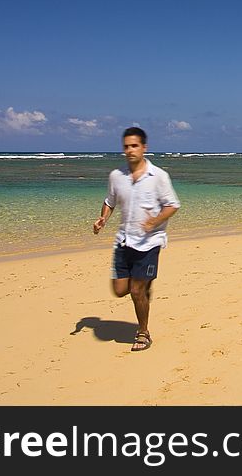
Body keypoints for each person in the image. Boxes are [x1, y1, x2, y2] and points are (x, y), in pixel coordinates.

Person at [93, 127, 181, 351]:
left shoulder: (159, 177)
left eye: (134, 146)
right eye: (126, 146)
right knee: (120, 290)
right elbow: (109, 201)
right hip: (124, 241)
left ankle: (143, 333)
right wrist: (103, 218)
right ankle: (144, 286)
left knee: (136, 291)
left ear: (144, 148)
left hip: (150, 242)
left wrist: (154, 222)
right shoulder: (116, 176)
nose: (130, 150)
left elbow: (173, 205)